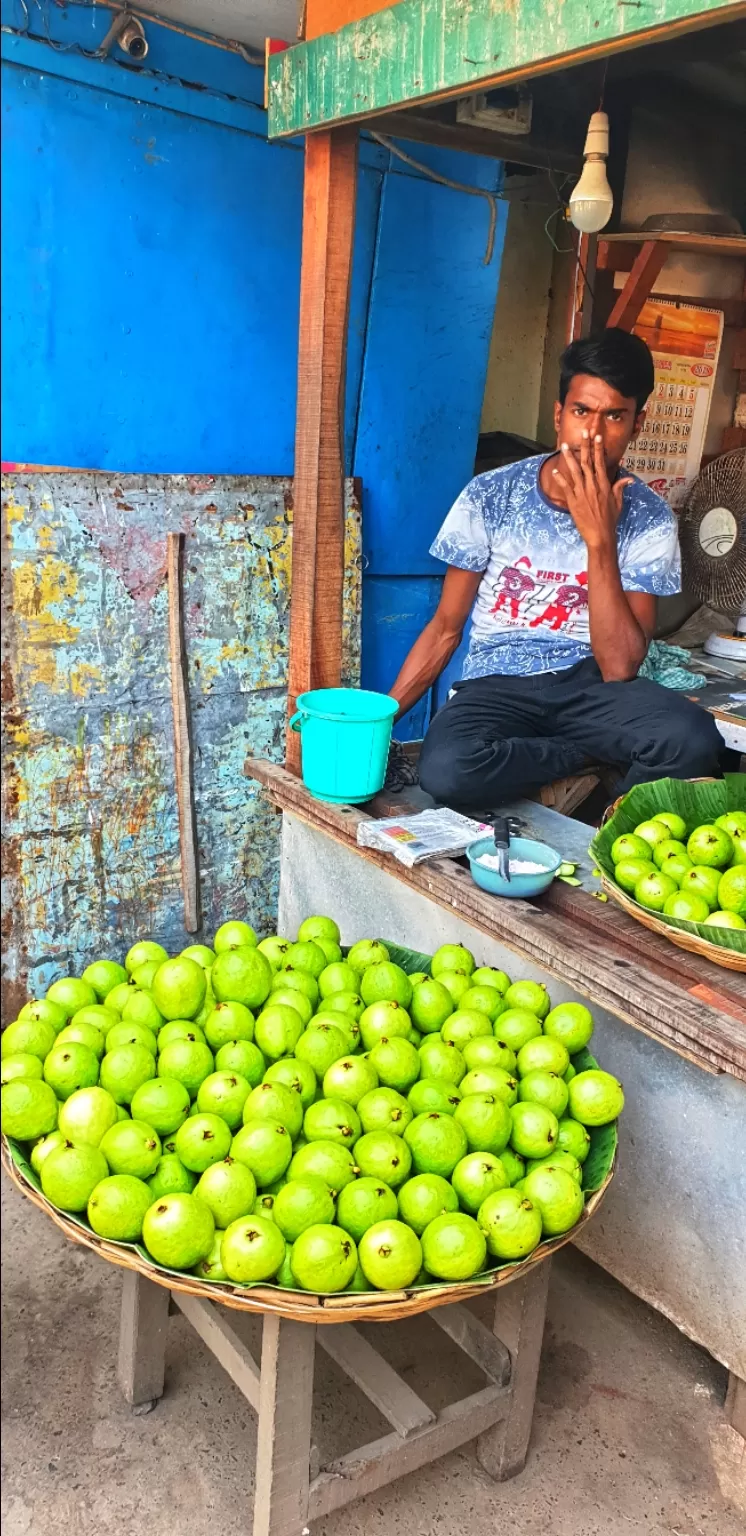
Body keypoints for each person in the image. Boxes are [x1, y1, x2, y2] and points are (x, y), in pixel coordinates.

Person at [389, 328, 723, 813]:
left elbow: (620, 666)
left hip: (590, 686)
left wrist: (600, 541)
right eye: (581, 411)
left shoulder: (648, 517)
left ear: (638, 423)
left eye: (614, 416)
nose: (593, 433)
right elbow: (445, 629)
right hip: (497, 683)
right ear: (558, 414)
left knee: (690, 738)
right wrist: (382, 717)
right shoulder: (491, 495)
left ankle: (608, 825)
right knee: (447, 768)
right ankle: (584, 756)